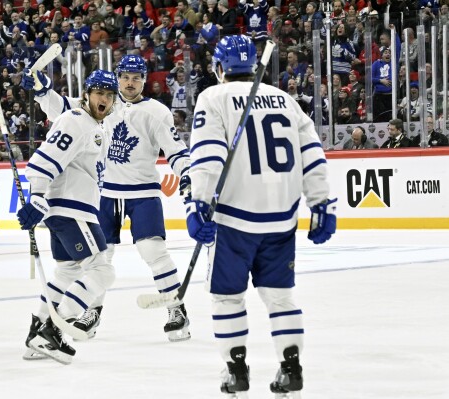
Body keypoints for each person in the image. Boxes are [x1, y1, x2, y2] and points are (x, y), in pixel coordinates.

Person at [187, 35, 336, 397]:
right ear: (253, 66)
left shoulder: (213, 97)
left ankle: (236, 371)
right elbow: (312, 154)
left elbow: (208, 156)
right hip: (281, 220)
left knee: (227, 298)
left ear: (219, 68)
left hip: (234, 222)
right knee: (280, 296)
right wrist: (321, 203)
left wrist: (198, 205)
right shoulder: (286, 100)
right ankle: (291, 367)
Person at [21, 54, 192, 344]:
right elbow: (65, 110)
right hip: (106, 194)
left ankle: (177, 310)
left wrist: (186, 172)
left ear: (145, 80)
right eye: (125, 76)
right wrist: (42, 91)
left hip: (142, 193)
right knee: (101, 258)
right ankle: (92, 312)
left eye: (136, 77)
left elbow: (175, 149)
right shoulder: (106, 101)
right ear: (118, 77)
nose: (130, 82)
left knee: (153, 251)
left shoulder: (157, 112)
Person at [17, 70, 118, 365]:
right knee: (102, 271)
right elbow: (43, 159)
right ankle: (52, 330)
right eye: (99, 93)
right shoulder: (76, 121)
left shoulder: (92, 121)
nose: (104, 99)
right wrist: (36, 195)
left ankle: (36, 335)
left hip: (68, 210)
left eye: (109, 95)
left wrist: (44, 91)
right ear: (86, 94)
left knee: (67, 273)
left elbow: (59, 107)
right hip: (74, 208)